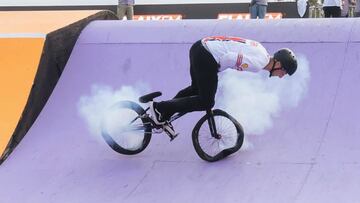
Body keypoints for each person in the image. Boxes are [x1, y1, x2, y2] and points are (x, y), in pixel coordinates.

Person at [150, 36, 298, 136]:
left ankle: (162, 114)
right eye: (284, 71)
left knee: (197, 89)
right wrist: (213, 74)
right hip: (207, 55)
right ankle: (161, 108)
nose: (283, 75)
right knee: (206, 101)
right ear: (278, 64)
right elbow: (228, 58)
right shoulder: (258, 64)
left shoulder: (261, 50)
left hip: (200, 47)